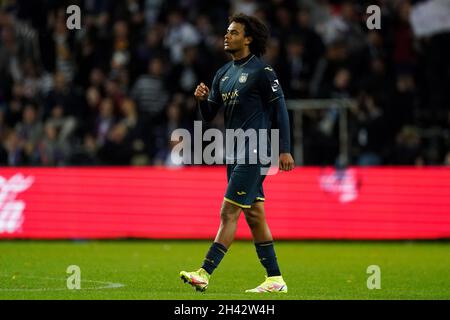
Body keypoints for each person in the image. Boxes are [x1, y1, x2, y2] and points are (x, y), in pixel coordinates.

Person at [180, 13, 294, 293]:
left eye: (233, 32)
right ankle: (275, 279)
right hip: (234, 153)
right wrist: (201, 100)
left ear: (248, 38)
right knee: (254, 216)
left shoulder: (262, 72)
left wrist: (285, 150)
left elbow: (280, 110)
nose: (226, 36)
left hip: (255, 152)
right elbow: (209, 115)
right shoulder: (223, 74)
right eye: (226, 32)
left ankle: (204, 272)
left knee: (228, 212)